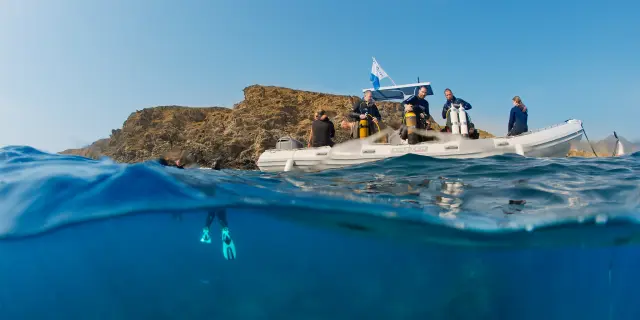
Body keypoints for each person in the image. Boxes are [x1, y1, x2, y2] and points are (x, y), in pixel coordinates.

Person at [157, 155, 237, 260]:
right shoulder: (199, 173)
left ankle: (207, 230)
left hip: (197, 192)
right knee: (216, 205)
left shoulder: (174, 173)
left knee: (212, 206)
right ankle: (222, 229)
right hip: (209, 189)